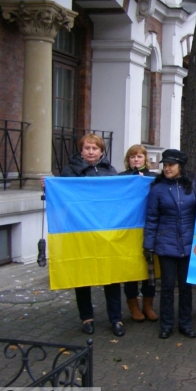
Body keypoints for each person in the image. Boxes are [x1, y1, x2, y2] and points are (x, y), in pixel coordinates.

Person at [60, 133, 124, 337]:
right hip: (79, 230)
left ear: (101, 151)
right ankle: (86, 317)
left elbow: (120, 197)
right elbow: (62, 195)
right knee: (83, 275)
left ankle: (116, 318)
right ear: (81, 150)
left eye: (94, 148)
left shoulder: (110, 171)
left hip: (105, 230)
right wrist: (49, 187)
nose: (90, 151)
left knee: (111, 276)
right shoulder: (69, 171)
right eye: (87, 148)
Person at [143, 149, 196, 339]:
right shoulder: (157, 189)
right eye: (164, 165)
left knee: (185, 287)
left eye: (170, 165)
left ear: (180, 166)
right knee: (166, 287)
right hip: (166, 243)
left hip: (189, 243)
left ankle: (185, 324)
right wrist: (148, 244)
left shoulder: (193, 185)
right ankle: (166, 325)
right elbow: (151, 218)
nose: (166, 168)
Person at [119, 144, 158, 323]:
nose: (136, 159)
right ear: (128, 160)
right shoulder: (120, 178)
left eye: (139, 156)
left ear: (145, 159)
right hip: (127, 230)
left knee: (148, 270)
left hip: (148, 229)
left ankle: (148, 305)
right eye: (132, 157)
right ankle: (133, 305)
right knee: (130, 269)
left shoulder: (154, 178)